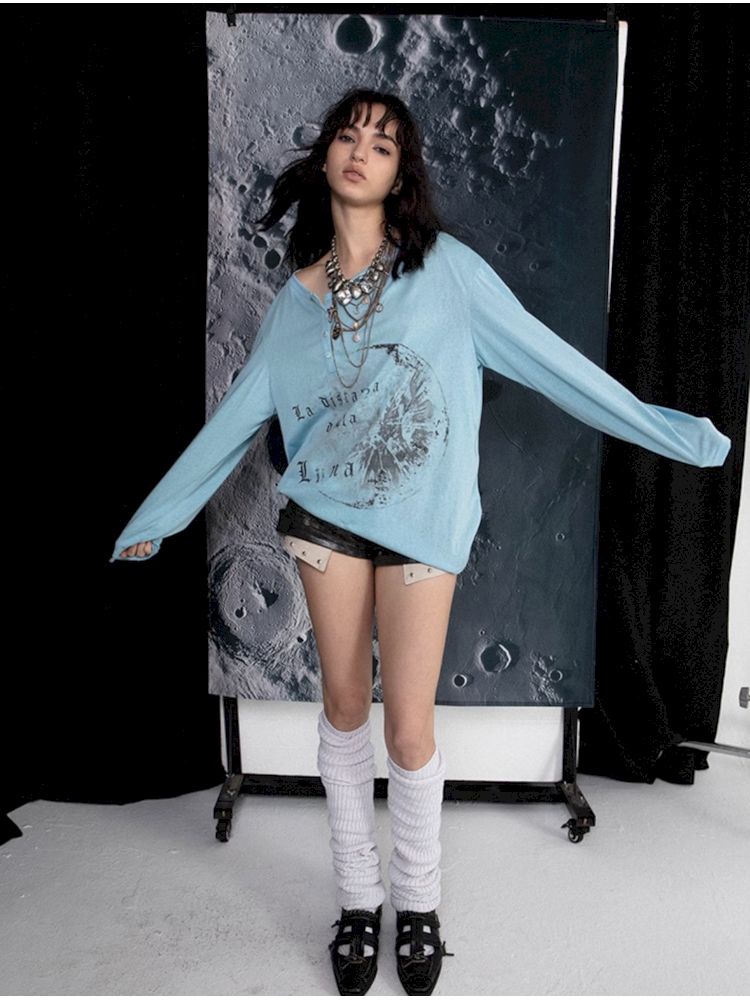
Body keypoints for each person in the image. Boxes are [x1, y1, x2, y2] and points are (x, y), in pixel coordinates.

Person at [110, 87, 731, 996]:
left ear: (402, 174)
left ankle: (420, 901)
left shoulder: (450, 273)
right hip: (323, 522)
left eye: (385, 142)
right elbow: (233, 425)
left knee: (408, 727)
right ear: (325, 159)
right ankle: (359, 902)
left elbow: (556, 366)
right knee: (343, 712)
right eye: (348, 135)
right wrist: (156, 520)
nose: (362, 149)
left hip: (423, 527)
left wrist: (675, 435)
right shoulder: (291, 306)